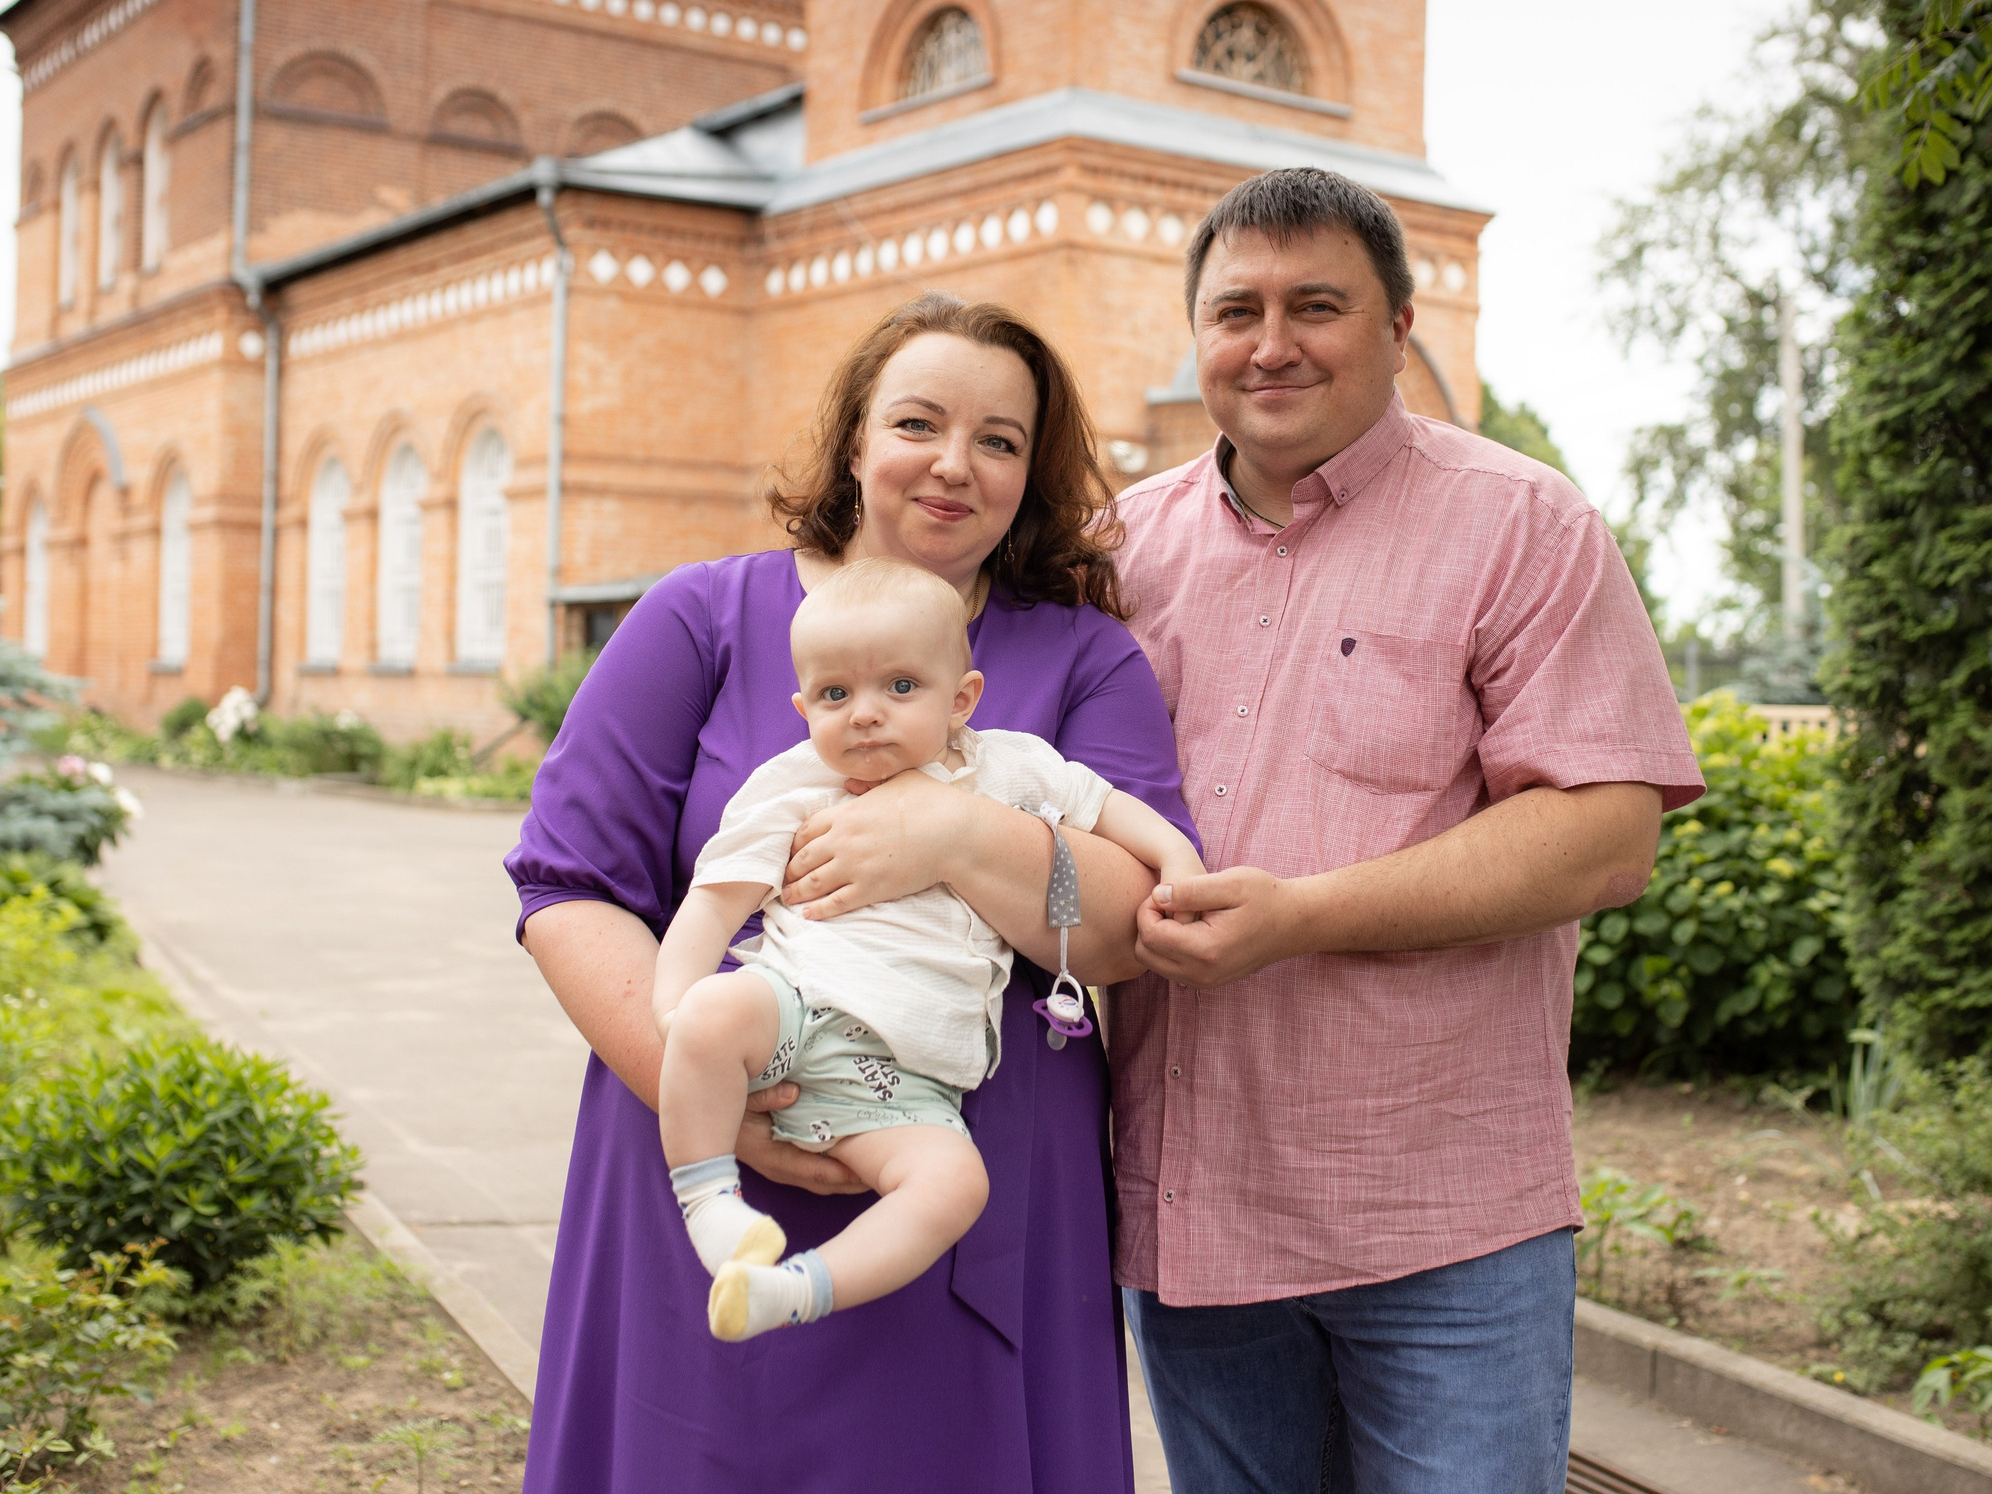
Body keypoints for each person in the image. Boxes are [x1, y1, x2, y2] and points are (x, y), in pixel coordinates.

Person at [508, 294, 1193, 1493]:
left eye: (999, 439)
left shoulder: (1083, 657)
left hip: (967, 1171)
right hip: (702, 1133)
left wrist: (953, 834)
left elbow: (1136, 917)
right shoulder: (703, 619)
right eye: (916, 423)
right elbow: (568, 885)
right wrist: (717, 1099)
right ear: (855, 441)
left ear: (1031, 476)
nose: (952, 464)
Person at [1110, 167, 1706, 1494]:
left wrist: (1303, 916)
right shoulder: (1118, 550)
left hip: (1443, 1214)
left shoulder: (1522, 524)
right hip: (1194, 1205)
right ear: (1194, 332)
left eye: (1316, 304)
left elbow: (1607, 832)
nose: (1271, 344)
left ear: (1398, 323)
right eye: (1235, 310)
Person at [651, 556, 1204, 1341]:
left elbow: (1106, 804)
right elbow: (716, 900)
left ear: (961, 699)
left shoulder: (1007, 768)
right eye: (837, 694)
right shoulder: (795, 784)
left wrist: (1177, 859)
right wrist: (674, 1009)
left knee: (954, 1186)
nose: (866, 713)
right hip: (793, 1010)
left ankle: (795, 1288)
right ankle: (711, 1204)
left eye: (901, 687)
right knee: (711, 1011)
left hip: (906, 1078)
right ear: (804, 705)